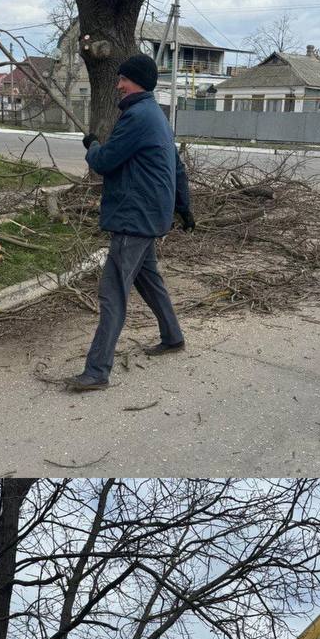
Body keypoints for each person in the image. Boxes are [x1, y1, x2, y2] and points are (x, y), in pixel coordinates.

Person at [67, 53, 194, 391]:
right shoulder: (156, 115)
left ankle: (96, 371)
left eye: (122, 79)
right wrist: (183, 206)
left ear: (134, 80)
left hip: (135, 217)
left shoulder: (137, 116)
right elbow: (176, 167)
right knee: (148, 279)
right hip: (150, 213)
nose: (118, 84)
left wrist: (92, 145)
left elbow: (106, 161)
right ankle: (173, 337)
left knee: (113, 293)